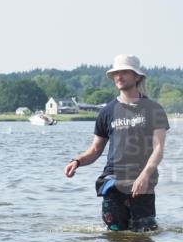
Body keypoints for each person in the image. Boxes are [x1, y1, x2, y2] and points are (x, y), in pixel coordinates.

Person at [65, 54, 169, 232]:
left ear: (137, 76)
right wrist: (78, 161)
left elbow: (158, 149)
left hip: (143, 183)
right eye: (116, 73)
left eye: (124, 72)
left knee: (145, 238)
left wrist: (144, 176)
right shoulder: (107, 111)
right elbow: (96, 149)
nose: (119, 77)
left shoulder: (154, 109)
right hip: (113, 181)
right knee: (115, 238)